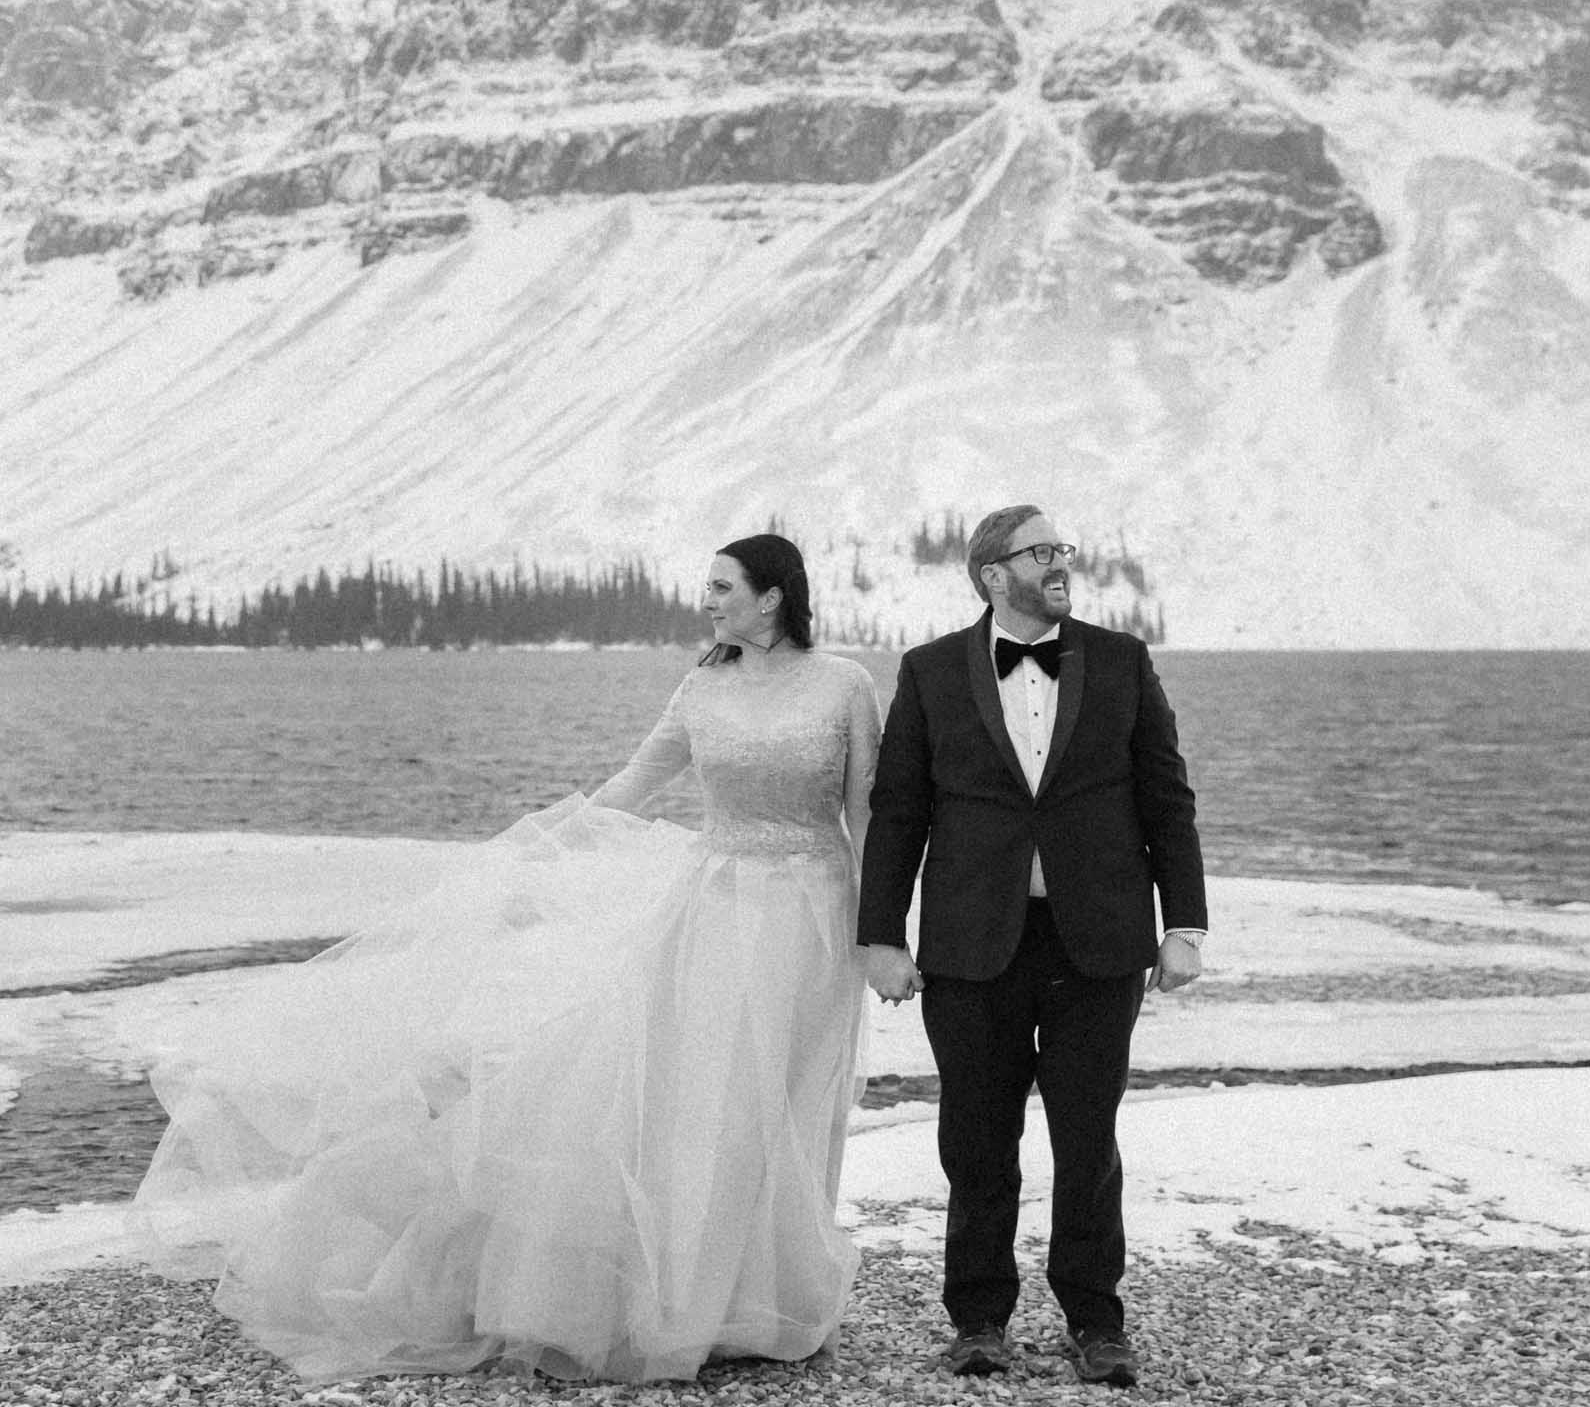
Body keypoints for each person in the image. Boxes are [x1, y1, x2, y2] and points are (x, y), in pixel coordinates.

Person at [133, 534, 881, 1385]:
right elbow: (634, 783)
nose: (706, 601)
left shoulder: (843, 685)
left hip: (814, 914)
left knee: (793, 1098)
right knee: (709, 1100)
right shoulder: (703, 685)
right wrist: (537, 847)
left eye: (721, 587)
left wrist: (881, 927)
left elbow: (867, 810)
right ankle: (698, 1302)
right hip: (714, 911)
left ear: (771, 596)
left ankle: (772, 1293)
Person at [857, 504, 1206, 1391]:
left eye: (1062, 550)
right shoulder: (931, 670)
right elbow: (899, 812)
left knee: (1088, 1143)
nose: (1060, 564)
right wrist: (880, 936)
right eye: (1041, 552)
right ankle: (978, 1320)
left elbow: (1167, 799)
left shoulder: (1122, 660)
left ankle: (1097, 1322)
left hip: (1099, 943)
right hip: (972, 946)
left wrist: (1185, 924)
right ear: (993, 574)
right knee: (977, 1142)